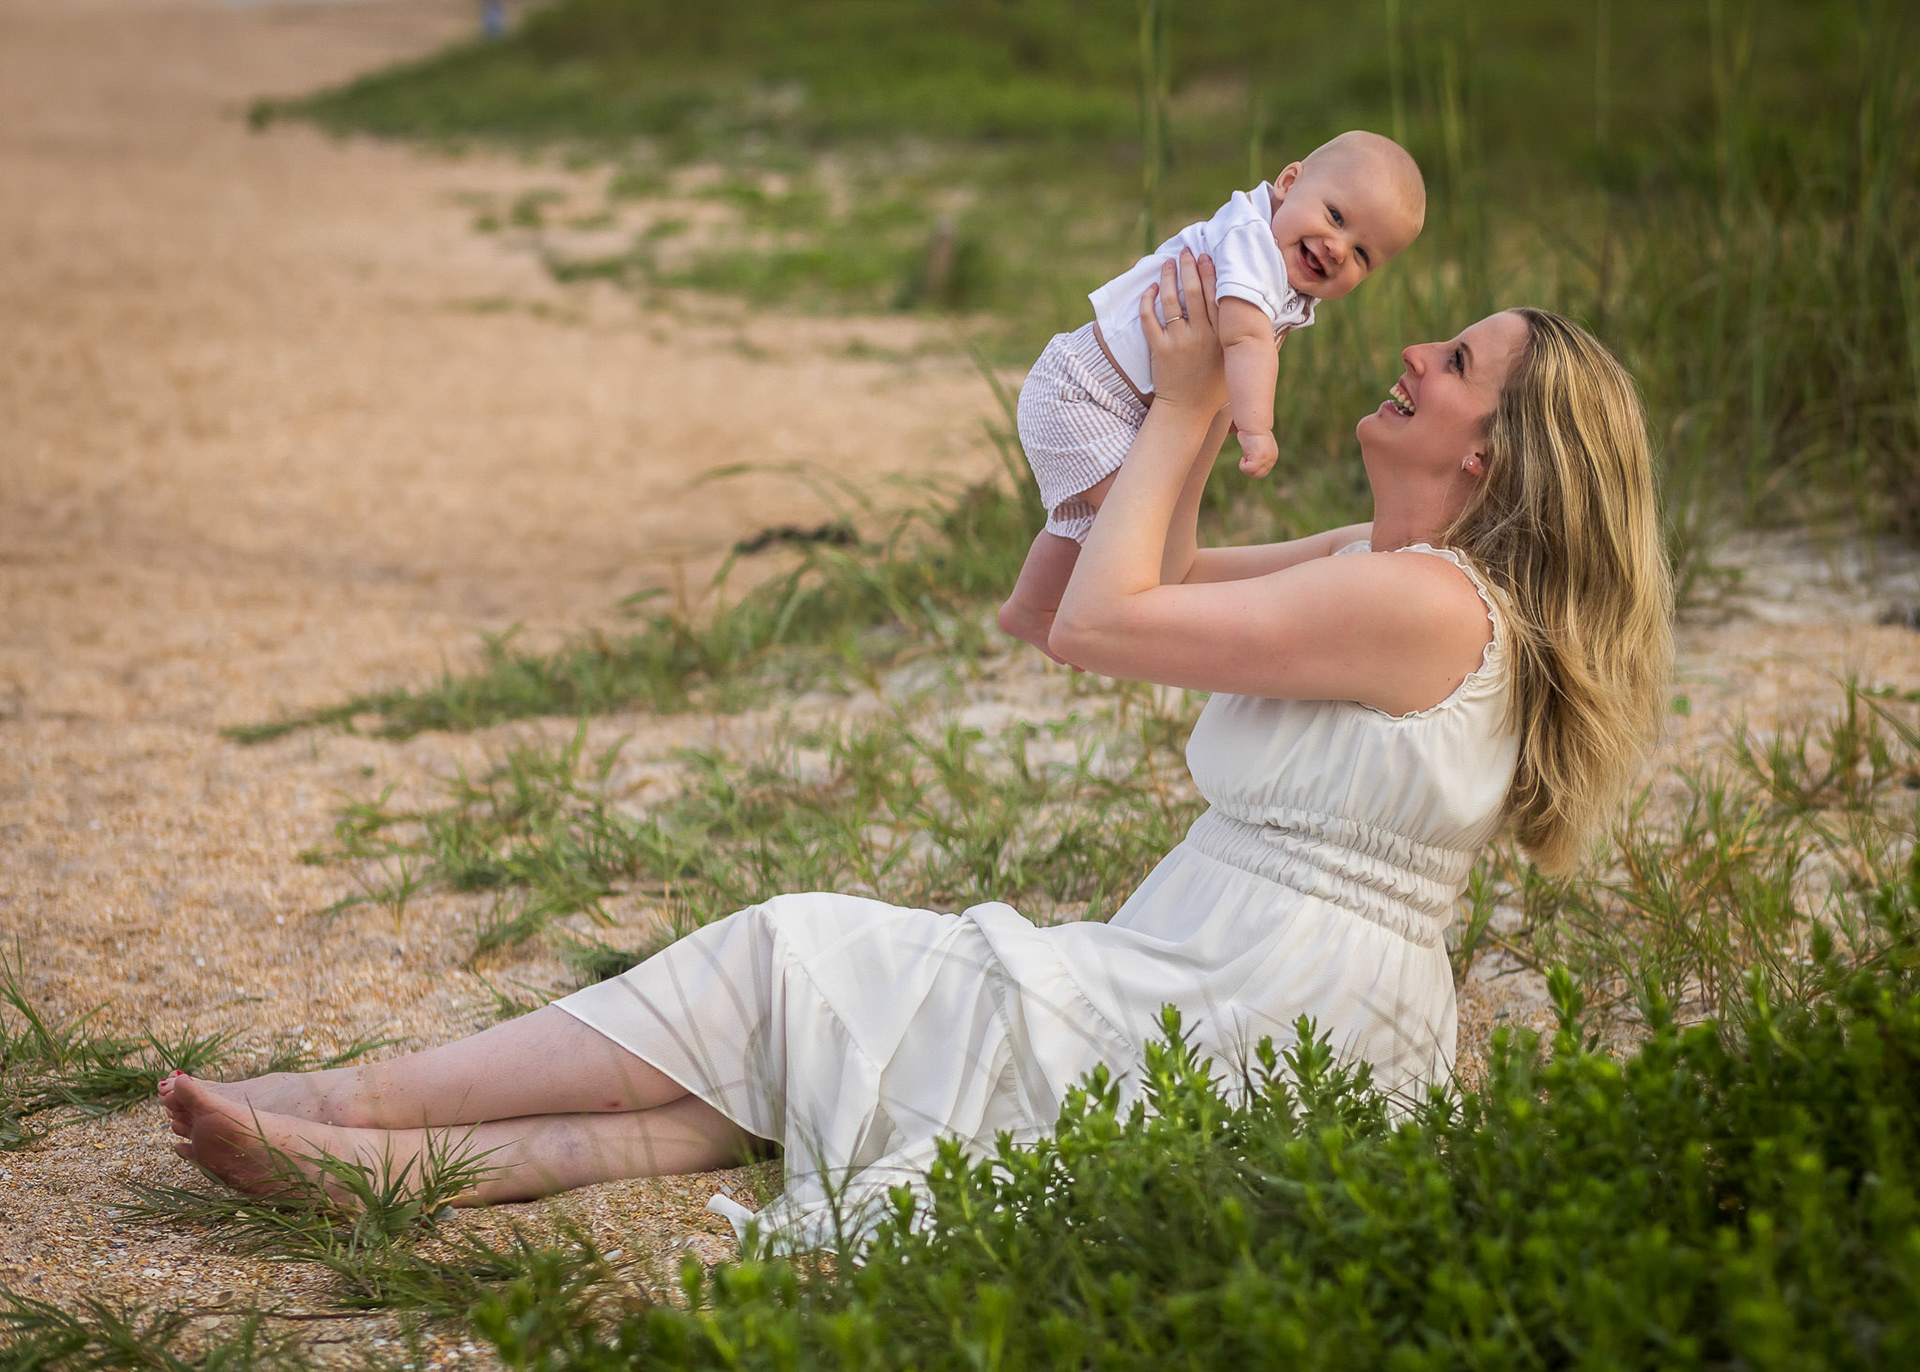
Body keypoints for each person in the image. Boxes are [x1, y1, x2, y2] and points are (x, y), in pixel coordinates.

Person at [160, 252, 1671, 1250]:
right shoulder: (1383, 567)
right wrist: (1143, 408)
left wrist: (1198, 406)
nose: (1415, 347)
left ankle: (357, 1102)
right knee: (839, 1063)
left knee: (791, 958)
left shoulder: (1418, 604)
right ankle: (392, 1169)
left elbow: (1100, 625)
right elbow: (1062, 594)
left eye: (1459, 360)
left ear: (1485, 455)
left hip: (1245, 1013)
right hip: (1238, 986)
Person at [998, 130, 1427, 661]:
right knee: (1132, 524)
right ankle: (1087, 617)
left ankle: (1030, 609)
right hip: (1081, 393)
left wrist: (1218, 405)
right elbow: (1245, 338)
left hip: (1112, 399)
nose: (1338, 248)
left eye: (1363, 253)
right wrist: (1254, 425)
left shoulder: (1279, 263)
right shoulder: (1251, 243)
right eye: (1336, 217)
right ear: (1289, 183)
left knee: (1092, 524)